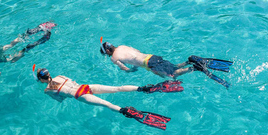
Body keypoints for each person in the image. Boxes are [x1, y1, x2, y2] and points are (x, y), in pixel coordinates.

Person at [34, 67, 182, 130]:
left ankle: (127, 111)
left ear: (41, 80)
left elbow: (61, 99)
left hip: (79, 95)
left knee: (107, 104)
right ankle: (144, 88)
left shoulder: (47, 90)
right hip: (85, 87)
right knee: (116, 88)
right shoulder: (60, 76)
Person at [99, 39, 233, 88]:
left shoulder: (113, 58)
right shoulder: (122, 46)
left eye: (107, 54)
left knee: (172, 75)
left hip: (149, 64)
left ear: (108, 51)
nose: (109, 55)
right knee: (173, 67)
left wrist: (131, 70)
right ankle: (189, 60)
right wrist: (135, 62)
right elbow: (137, 52)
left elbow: (124, 68)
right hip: (151, 56)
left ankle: (194, 67)